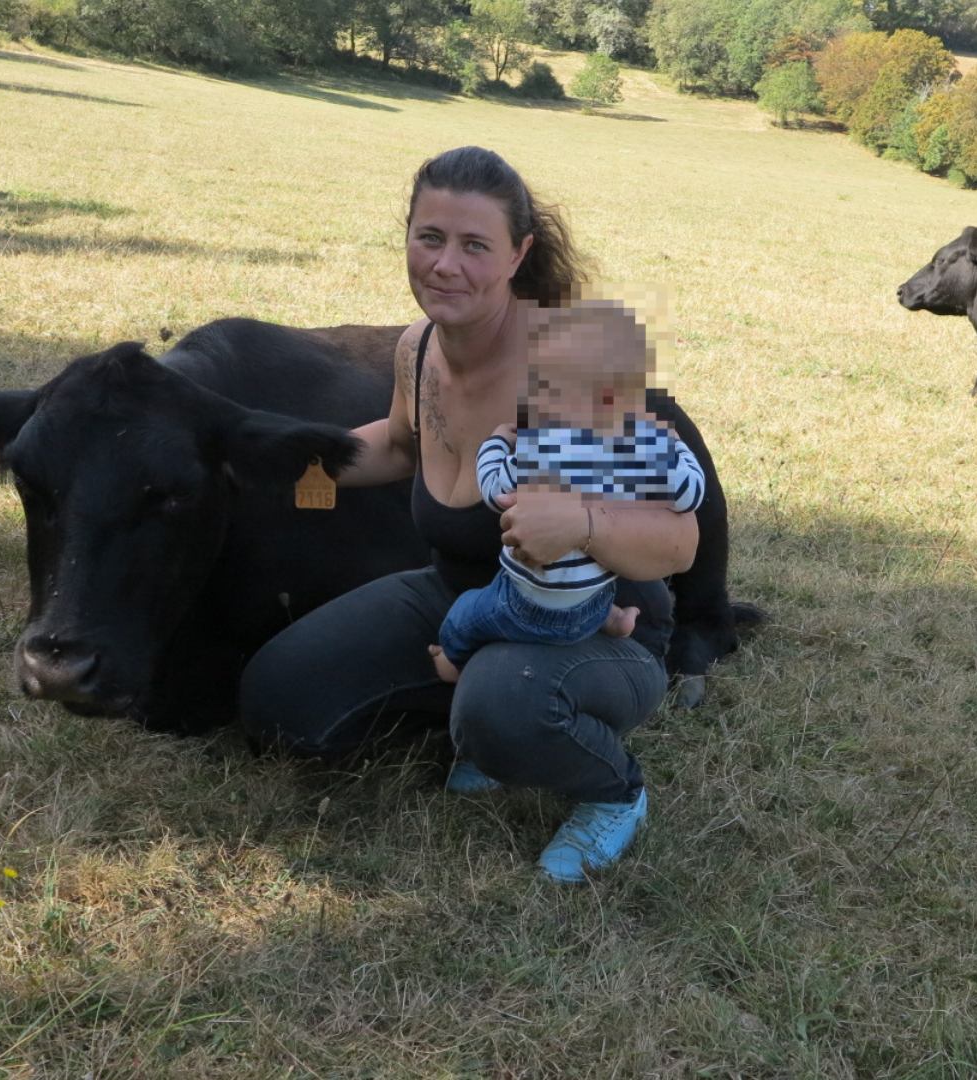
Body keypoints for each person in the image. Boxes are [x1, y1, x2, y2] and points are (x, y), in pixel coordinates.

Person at [238, 146, 699, 883]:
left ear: (519, 254)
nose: (445, 265)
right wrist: (292, 471)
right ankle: (481, 710)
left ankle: (614, 791)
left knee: (503, 706)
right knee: (280, 703)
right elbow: (396, 444)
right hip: (460, 595)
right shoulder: (417, 347)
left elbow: (678, 539)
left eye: (474, 245)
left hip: (596, 623)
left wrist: (582, 526)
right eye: (430, 238)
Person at [431, 300, 707, 685]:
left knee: (466, 612)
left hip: (528, 608)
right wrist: (672, 448)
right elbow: (690, 496)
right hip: (591, 603)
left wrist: (493, 445)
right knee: (588, 587)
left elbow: (495, 492)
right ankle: (614, 619)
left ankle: (452, 661)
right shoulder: (641, 452)